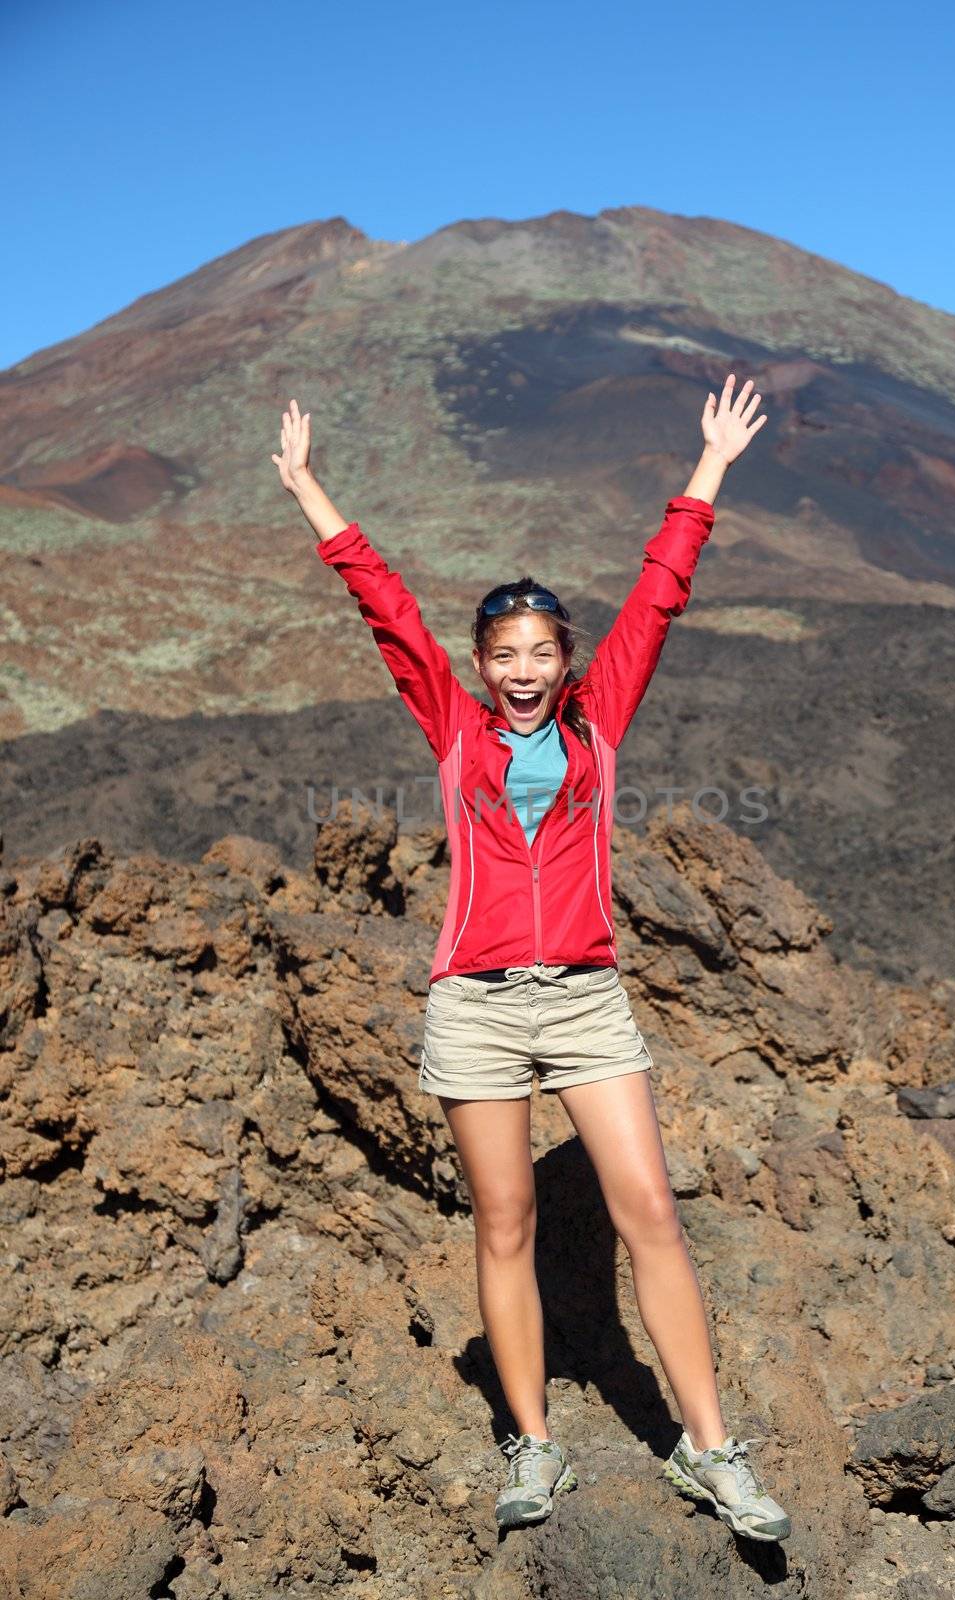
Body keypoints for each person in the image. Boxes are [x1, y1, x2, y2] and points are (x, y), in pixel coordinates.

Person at [271, 375, 792, 1543]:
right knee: (500, 1220)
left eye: (538, 651)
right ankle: (532, 1442)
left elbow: (659, 598)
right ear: (481, 660)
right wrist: (310, 490)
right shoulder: (453, 725)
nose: (519, 669)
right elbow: (387, 610)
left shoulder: (599, 719)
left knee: (648, 1208)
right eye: (500, 652)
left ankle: (712, 1451)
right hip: (474, 1006)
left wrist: (706, 469)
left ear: (566, 659)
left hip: (586, 997)